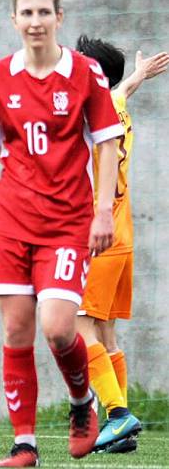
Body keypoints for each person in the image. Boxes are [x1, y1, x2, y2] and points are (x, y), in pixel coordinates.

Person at [0, 0, 124, 467]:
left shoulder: (86, 74)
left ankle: (82, 404)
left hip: (69, 221)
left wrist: (102, 212)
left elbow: (108, 142)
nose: (35, 22)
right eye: (26, 13)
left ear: (59, 17)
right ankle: (24, 444)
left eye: (43, 12)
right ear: (14, 20)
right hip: (11, 220)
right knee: (16, 331)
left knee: (58, 329)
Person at [74, 36, 169, 454]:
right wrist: (138, 75)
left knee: (79, 329)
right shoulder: (115, 106)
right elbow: (121, 91)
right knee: (106, 332)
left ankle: (115, 414)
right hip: (122, 238)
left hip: (96, 237)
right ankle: (120, 427)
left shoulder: (89, 116)